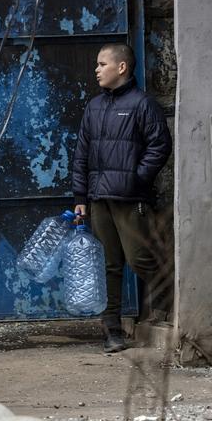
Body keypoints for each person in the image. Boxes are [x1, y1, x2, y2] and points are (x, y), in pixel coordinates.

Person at [72, 43, 172, 353]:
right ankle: (112, 330)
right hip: (100, 198)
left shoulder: (143, 104)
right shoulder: (94, 107)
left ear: (122, 67)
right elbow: (82, 153)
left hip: (130, 199)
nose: (97, 70)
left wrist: (136, 179)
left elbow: (160, 146)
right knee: (108, 266)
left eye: (102, 64)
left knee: (140, 259)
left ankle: (166, 310)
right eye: (96, 64)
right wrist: (80, 196)